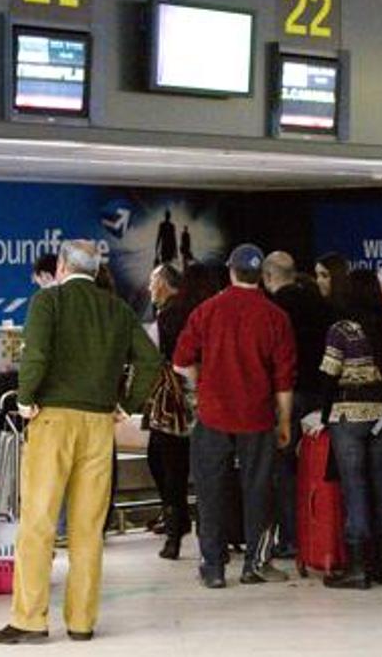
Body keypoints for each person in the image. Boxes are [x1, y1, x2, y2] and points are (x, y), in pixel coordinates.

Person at [0, 240, 160, 645]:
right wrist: (124, 403)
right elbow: (150, 362)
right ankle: (82, 622)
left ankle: (30, 620)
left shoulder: (49, 302)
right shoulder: (117, 308)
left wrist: (26, 398)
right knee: (88, 527)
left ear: (62, 266)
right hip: (99, 424)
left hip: (52, 421)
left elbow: (37, 355)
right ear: (96, 270)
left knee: (39, 522)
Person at [173, 243, 296, 589]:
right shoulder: (276, 317)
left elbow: (181, 361)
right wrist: (284, 421)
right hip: (257, 418)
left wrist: (204, 382)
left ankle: (212, 567)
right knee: (258, 490)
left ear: (230, 271)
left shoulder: (207, 311)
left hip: (213, 415)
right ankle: (255, 564)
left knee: (210, 490)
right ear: (262, 276)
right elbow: (284, 379)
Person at [319, 269, 382, 589]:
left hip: (348, 416)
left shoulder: (342, 330)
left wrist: (325, 415)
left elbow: (328, 374)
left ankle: (357, 567)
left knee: (354, 488)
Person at [262, 251, 334, 559]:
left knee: (285, 468)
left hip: (289, 396)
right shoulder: (322, 305)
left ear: (267, 277)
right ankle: (320, 534)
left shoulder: (273, 310)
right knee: (319, 469)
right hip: (322, 394)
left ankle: (291, 537)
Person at [145, 263, 193, 560]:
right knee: (164, 459)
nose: (149, 287)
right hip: (183, 399)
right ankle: (177, 519)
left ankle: (175, 530)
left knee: (167, 461)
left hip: (173, 402)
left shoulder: (171, 317)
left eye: (152, 281)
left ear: (163, 283)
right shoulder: (182, 312)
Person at [314, 251, 350, 316]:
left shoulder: (355, 310)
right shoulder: (315, 312)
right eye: (317, 276)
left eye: (324, 276)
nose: (318, 281)